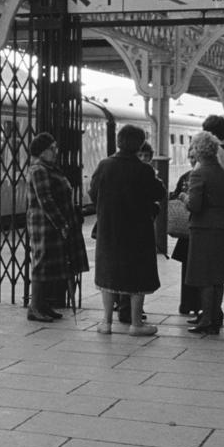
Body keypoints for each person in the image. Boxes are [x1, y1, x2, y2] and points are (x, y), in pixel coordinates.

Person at [88, 123, 164, 335]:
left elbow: (93, 193)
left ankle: (106, 322)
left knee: (108, 274)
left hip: (109, 229)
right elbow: (160, 193)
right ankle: (136, 324)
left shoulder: (104, 166)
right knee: (138, 276)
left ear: (119, 141)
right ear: (139, 145)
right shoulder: (144, 170)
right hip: (137, 231)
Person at [182, 128, 224, 334]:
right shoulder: (223, 173)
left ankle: (205, 320)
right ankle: (215, 317)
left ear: (198, 149)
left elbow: (194, 205)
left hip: (204, 228)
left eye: (194, 147)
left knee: (204, 277)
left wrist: (184, 198)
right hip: (222, 226)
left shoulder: (199, 173)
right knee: (218, 276)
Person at [24, 131, 81, 323]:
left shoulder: (49, 168)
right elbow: (45, 200)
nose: (55, 151)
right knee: (42, 264)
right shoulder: (39, 170)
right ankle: (35, 307)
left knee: (50, 264)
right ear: (42, 151)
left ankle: (43, 305)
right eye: (52, 148)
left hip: (51, 224)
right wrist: (61, 224)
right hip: (45, 225)